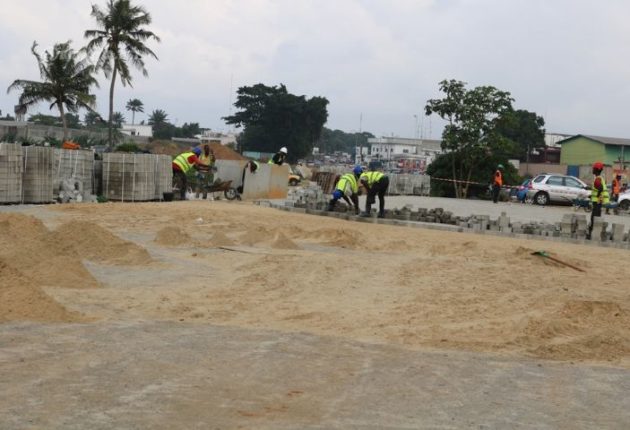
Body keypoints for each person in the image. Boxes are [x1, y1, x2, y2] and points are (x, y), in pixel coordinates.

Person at [587, 161, 610, 239]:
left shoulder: (598, 179)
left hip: (597, 202)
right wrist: (592, 195)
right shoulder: (599, 178)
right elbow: (598, 188)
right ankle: (593, 233)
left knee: (594, 218)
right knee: (595, 217)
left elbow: (600, 188)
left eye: (593, 168)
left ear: (597, 169)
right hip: (598, 202)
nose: (593, 169)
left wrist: (596, 196)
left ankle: (592, 234)